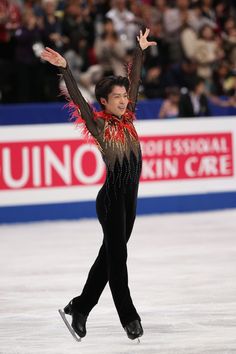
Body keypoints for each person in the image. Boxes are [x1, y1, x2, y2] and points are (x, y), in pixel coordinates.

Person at [41, 28, 156, 341]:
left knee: (109, 257)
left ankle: (80, 306)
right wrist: (65, 69)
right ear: (104, 102)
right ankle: (129, 318)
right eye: (116, 97)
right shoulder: (100, 124)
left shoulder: (128, 116)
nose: (124, 99)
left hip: (130, 200)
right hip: (110, 200)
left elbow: (134, 81)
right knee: (118, 260)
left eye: (125, 96)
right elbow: (78, 99)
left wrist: (141, 51)